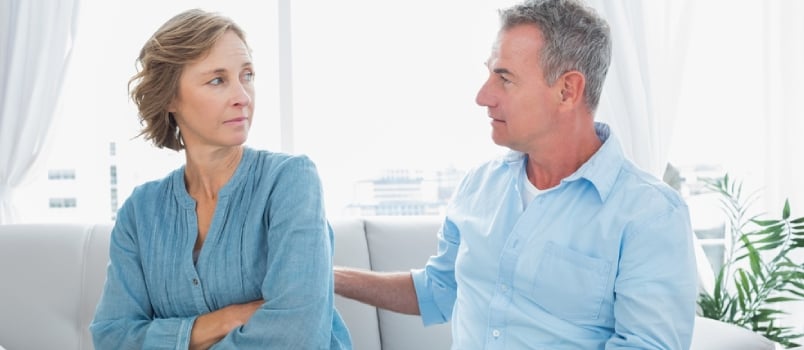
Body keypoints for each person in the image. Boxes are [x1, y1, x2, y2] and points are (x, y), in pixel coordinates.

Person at [334, 0, 698, 349]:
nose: (483, 96)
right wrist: (330, 277)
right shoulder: (479, 186)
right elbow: (440, 290)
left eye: (504, 78)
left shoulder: (650, 215)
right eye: (489, 74)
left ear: (567, 91)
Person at [89, 9, 352, 349]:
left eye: (247, 75)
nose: (242, 96)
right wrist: (225, 320)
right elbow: (112, 338)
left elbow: (296, 335)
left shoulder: (291, 181)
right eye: (217, 80)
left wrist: (175, 338)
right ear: (170, 97)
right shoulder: (140, 213)